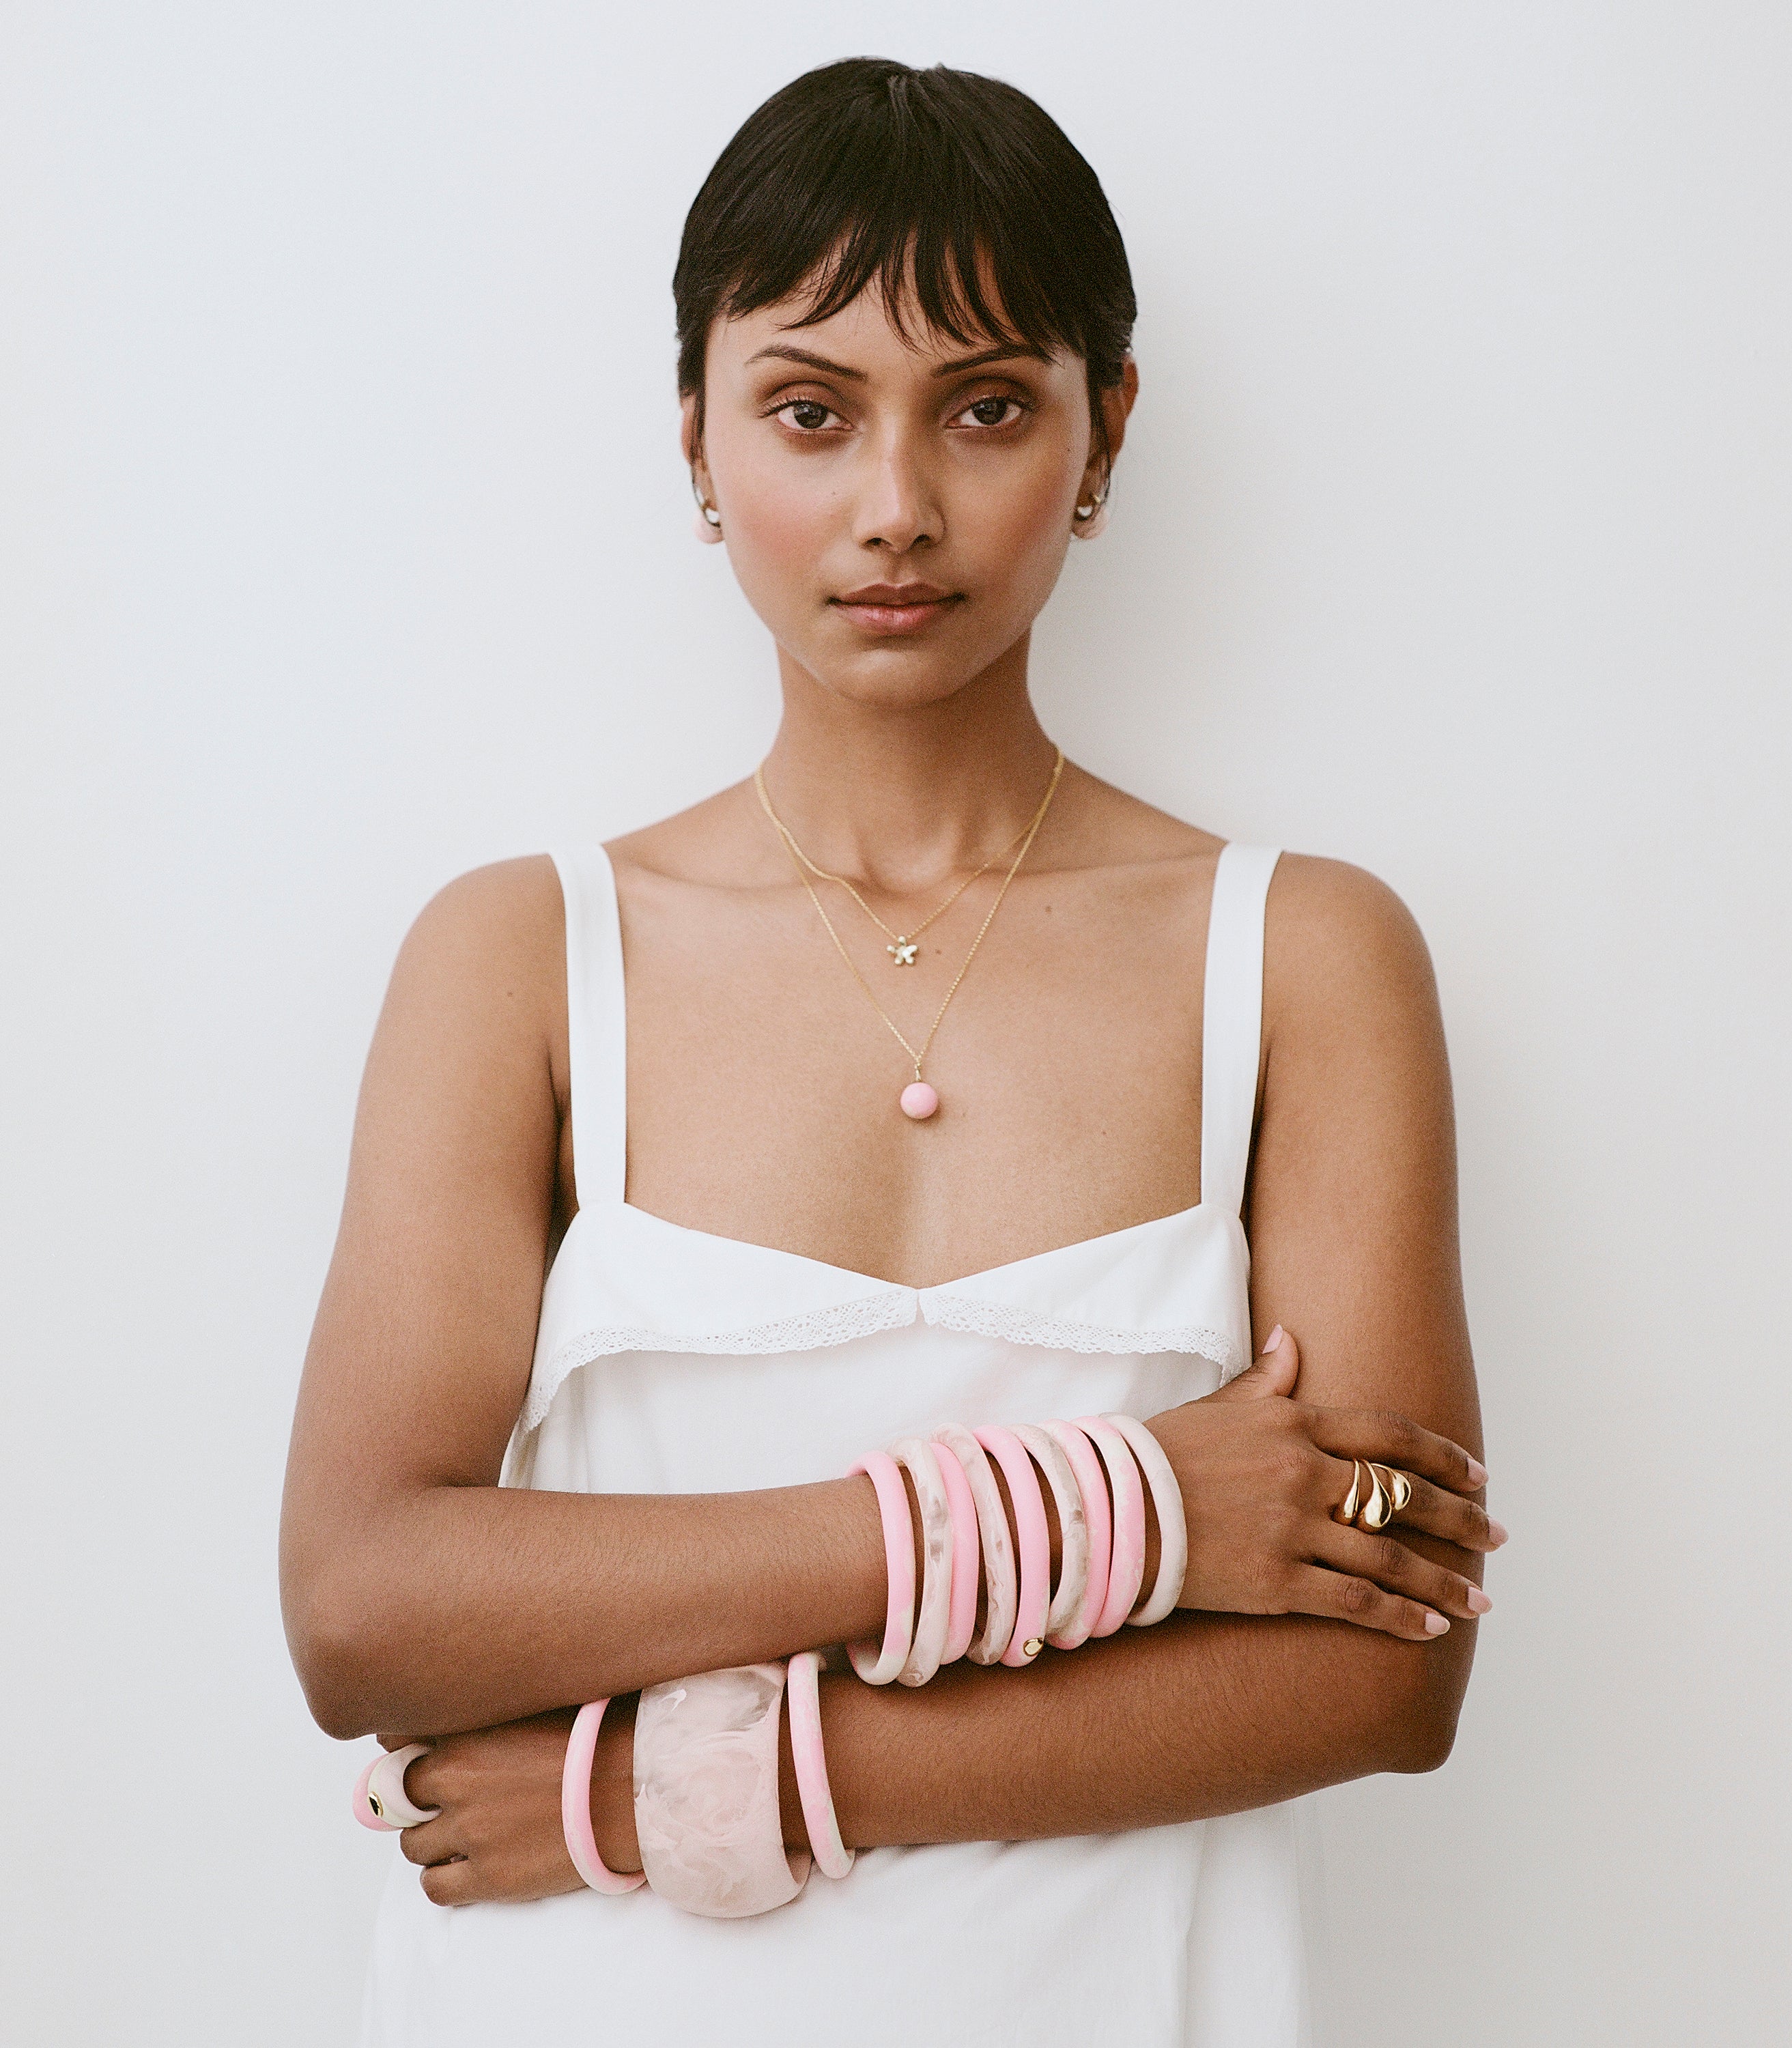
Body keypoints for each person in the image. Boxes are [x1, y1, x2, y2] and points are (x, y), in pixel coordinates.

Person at [281, 57, 1501, 2048]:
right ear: (695, 439)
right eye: (807, 409)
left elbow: (1387, 1670)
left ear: (1106, 434)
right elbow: (365, 1604)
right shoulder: (517, 954)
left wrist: (683, 1794)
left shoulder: (1304, 953)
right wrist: (1142, 1514)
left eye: (989, 407)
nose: (894, 508)